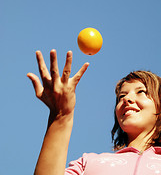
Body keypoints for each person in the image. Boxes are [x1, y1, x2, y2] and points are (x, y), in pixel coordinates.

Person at [27, 49, 161, 175]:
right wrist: (61, 116)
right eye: (121, 96)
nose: (127, 99)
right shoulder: (87, 163)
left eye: (141, 92)